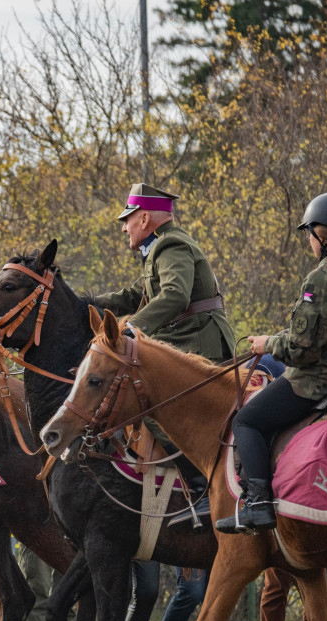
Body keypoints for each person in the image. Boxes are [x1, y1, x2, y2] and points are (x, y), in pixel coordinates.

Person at [217, 192, 327, 533]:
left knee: (247, 421)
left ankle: (259, 505)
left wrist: (268, 343)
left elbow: (303, 349)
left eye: (310, 233)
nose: (309, 240)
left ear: (322, 236)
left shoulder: (321, 279)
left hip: (322, 382)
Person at [95, 182, 236, 522]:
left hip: (198, 341)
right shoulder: (159, 247)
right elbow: (138, 294)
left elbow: (173, 295)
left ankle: (203, 486)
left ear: (144, 218)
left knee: (152, 406)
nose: (123, 227)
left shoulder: (170, 244)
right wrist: (87, 302)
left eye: (127, 220)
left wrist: (131, 328)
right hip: (188, 338)